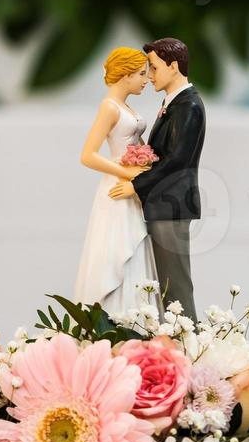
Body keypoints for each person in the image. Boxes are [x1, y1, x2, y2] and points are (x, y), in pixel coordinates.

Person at [109, 37, 205, 321]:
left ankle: (188, 344)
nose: (149, 76)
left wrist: (136, 185)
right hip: (162, 203)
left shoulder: (189, 106)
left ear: (173, 67)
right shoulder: (174, 104)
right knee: (165, 284)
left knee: (175, 286)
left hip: (172, 205)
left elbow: (176, 161)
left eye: (153, 68)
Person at [74, 47, 159, 316]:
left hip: (133, 188)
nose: (146, 80)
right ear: (125, 75)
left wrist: (147, 162)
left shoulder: (126, 107)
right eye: (141, 74)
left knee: (135, 242)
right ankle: (114, 312)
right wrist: (126, 172)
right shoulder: (109, 108)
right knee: (116, 246)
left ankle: (138, 315)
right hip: (117, 188)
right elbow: (88, 156)